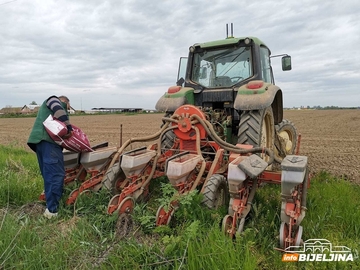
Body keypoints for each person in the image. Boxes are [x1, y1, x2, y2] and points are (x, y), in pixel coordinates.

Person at [27, 95, 73, 219]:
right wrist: (69, 127)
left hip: (39, 143)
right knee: (55, 175)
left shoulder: (47, 108)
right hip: (49, 144)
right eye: (67, 107)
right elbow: (58, 109)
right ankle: (52, 212)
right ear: (65, 102)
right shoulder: (53, 100)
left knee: (48, 174)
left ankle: (48, 200)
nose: (66, 110)